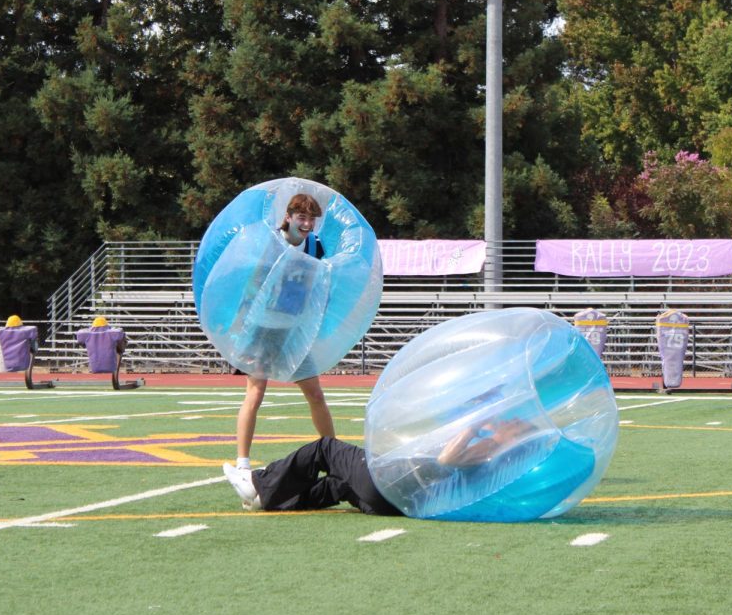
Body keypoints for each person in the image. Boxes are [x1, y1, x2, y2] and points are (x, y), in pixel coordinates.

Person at [222, 419, 536, 515]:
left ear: (514, 436)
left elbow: (447, 459)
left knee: (325, 448)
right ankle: (273, 502)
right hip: (392, 502)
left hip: (390, 482)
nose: (507, 420)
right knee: (339, 485)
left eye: (515, 424)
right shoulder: (500, 462)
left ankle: (260, 484)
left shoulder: (491, 450)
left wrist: (472, 426)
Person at [233, 193, 335, 469]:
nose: (307, 224)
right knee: (255, 392)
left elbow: (321, 283)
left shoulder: (315, 245)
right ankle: (242, 463)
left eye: (311, 219)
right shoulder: (272, 243)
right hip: (263, 328)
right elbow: (252, 282)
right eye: (302, 217)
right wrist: (241, 323)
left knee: (315, 393)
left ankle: (335, 457)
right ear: (288, 217)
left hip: (292, 331)